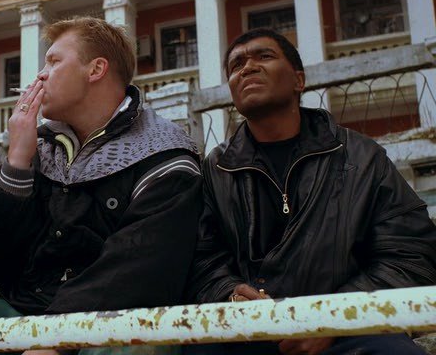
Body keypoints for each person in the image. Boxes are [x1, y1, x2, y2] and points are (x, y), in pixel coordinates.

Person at [0, 17, 235, 354]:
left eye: (53, 61)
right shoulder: (38, 146)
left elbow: (140, 270)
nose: (41, 75)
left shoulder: (163, 151)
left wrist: (56, 338)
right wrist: (17, 161)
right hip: (30, 312)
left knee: (134, 348)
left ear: (96, 69)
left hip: (112, 320)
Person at [185, 28, 436, 355]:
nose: (247, 68)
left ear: (298, 80)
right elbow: (200, 259)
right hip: (248, 333)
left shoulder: (361, 158)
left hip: (350, 329)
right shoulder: (215, 170)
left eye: (264, 56)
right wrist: (229, 293)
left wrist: (334, 317)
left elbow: (411, 254)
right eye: (236, 65)